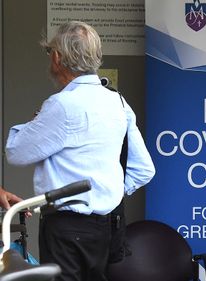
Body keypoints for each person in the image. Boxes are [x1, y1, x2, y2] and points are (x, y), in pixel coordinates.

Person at [5, 21, 155, 281]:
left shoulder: (61, 105)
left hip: (66, 229)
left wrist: (35, 120)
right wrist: (107, 191)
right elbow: (144, 170)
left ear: (57, 57)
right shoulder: (118, 102)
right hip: (105, 228)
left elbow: (16, 152)